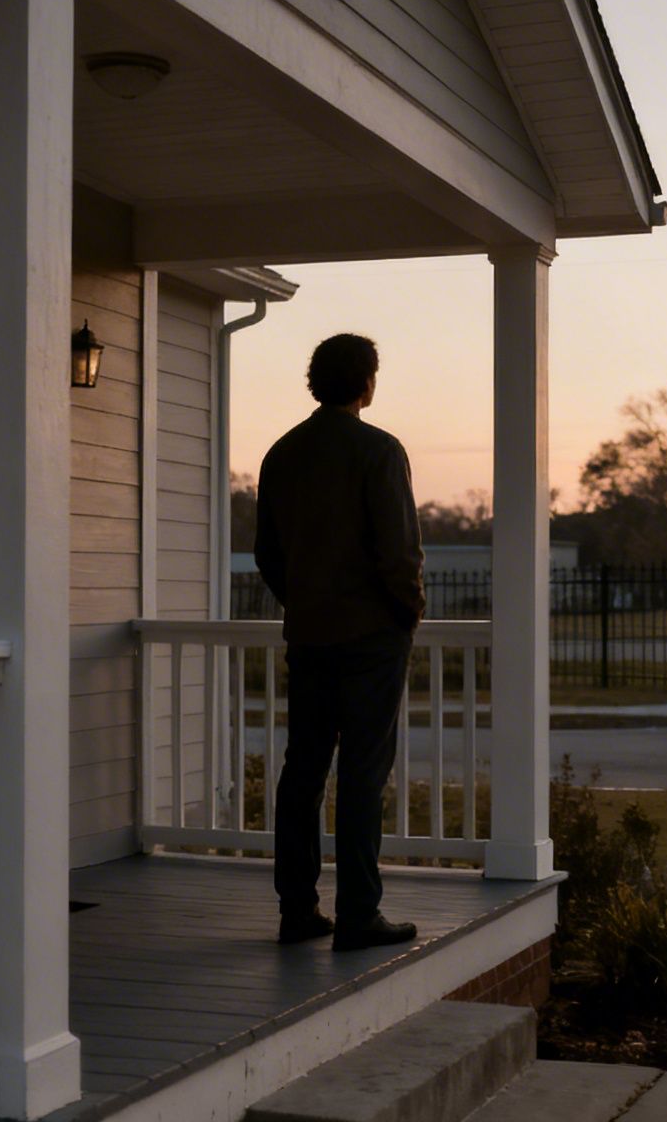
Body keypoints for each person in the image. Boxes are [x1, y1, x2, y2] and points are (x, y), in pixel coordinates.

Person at [255, 333, 426, 951]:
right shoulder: (377, 450)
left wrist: (303, 600)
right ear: (367, 383)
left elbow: (267, 554)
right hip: (371, 638)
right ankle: (359, 913)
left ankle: (297, 910)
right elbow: (399, 551)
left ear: (314, 381)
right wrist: (407, 614)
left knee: (302, 770)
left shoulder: (282, 454)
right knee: (362, 773)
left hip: (309, 635)